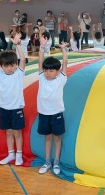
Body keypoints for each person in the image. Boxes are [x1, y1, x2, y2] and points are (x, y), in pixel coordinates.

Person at [0, 33, 26, 166]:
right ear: (2, 66)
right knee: (9, 132)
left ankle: (19, 155)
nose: (9, 68)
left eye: (12, 65)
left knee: (17, 133)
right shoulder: (0, 74)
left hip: (16, 108)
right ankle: (11, 154)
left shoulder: (19, 73)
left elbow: (22, 59)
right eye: (6, 66)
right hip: (4, 108)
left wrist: (18, 44)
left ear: (15, 64)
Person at [37, 38, 68, 175]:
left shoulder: (61, 78)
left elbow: (65, 62)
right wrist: (42, 47)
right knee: (47, 137)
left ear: (58, 71)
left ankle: (56, 162)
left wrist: (63, 50)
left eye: (51, 71)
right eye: (46, 70)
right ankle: (47, 161)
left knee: (57, 138)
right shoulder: (41, 77)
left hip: (56, 113)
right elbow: (40, 61)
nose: (48, 73)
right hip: (44, 113)